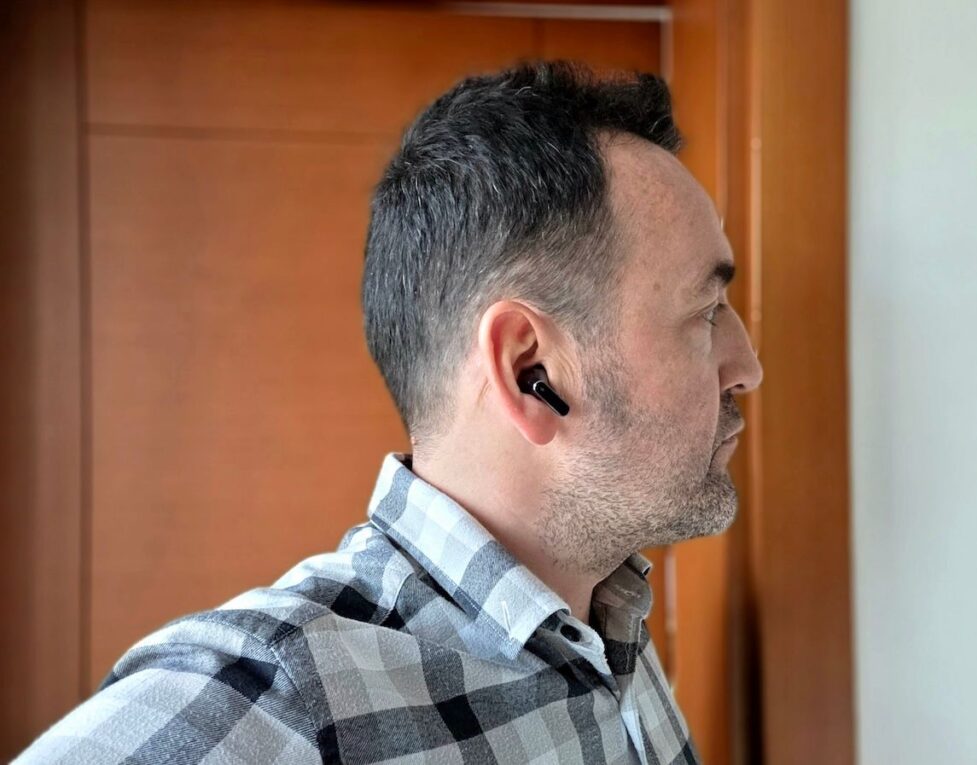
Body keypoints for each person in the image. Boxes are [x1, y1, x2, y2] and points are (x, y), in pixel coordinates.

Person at [17, 59, 762, 764]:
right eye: (706, 312)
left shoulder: (607, 620)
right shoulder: (281, 699)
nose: (748, 368)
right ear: (530, 371)